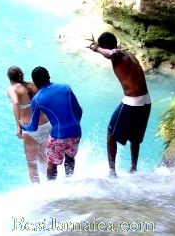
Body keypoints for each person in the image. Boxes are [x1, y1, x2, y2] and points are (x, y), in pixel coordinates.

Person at [88, 32, 150, 176]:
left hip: (133, 101)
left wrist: (96, 49)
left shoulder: (117, 55)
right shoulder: (128, 54)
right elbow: (113, 52)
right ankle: (133, 169)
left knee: (111, 133)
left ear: (104, 46)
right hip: (146, 101)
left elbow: (112, 53)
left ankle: (112, 172)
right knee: (135, 137)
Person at [20, 66, 83, 180]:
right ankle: (70, 182)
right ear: (49, 77)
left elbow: (33, 127)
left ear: (35, 82)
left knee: (52, 164)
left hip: (58, 135)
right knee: (70, 157)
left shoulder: (37, 99)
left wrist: (24, 127)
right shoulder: (66, 87)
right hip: (76, 132)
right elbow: (79, 111)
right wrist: (72, 127)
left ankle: (52, 187)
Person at [6, 66, 51, 183]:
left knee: (31, 164)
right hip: (45, 125)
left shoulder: (12, 89)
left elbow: (16, 102)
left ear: (10, 78)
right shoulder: (33, 85)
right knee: (43, 157)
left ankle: (39, 190)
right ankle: (51, 183)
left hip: (31, 130)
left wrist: (18, 126)